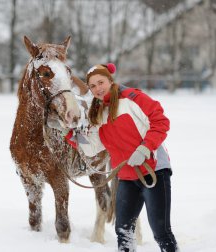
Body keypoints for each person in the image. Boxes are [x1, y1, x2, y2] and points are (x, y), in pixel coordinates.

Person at [66, 63, 178, 252]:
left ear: (110, 80)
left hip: (154, 171)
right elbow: (93, 147)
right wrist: (69, 133)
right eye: (92, 86)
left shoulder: (132, 98)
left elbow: (160, 121)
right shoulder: (99, 112)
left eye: (100, 82)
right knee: (123, 230)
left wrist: (144, 149)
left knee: (161, 231)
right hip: (126, 177)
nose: (97, 89)